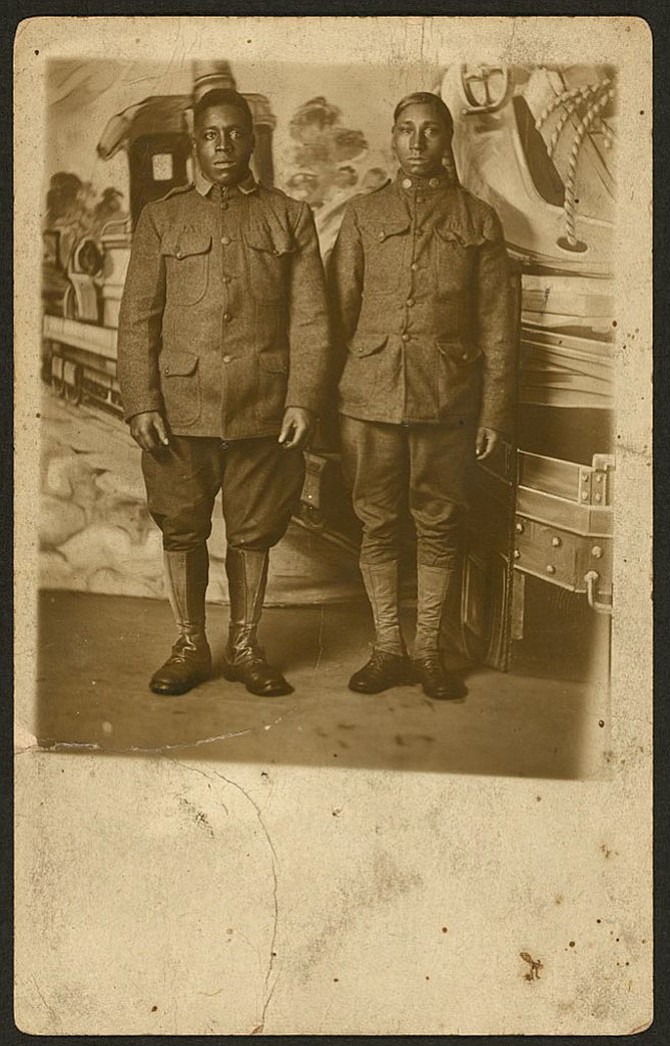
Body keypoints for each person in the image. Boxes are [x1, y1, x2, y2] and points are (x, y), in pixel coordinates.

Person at [117, 88, 331, 698]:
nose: (224, 145)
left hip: (264, 409)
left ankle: (244, 646)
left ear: (252, 140)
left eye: (235, 134)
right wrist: (141, 402)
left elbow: (311, 320)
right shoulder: (162, 218)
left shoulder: (290, 215)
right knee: (182, 529)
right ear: (195, 143)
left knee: (254, 531)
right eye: (211, 135)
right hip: (181, 412)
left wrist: (303, 399)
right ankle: (190, 644)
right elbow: (138, 320)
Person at [329, 92, 516, 700]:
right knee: (376, 522)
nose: (417, 142)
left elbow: (498, 325)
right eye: (406, 129)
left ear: (446, 139)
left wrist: (493, 411)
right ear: (393, 137)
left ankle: (430, 651)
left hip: (448, 396)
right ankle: (388, 649)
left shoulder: (477, 219)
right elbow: (339, 313)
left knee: (439, 523)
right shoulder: (361, 214)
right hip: (369, 398)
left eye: (430, 131)